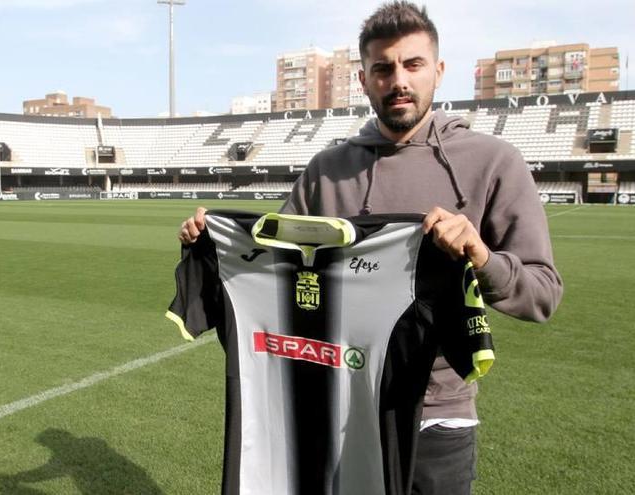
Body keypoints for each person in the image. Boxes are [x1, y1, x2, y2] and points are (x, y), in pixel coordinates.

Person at [178, 2, 562, 493]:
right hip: (337, 404)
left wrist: (481, 257)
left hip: (438, 417)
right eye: (382, 68)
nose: (398, 80)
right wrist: (210, 246)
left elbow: (544, 294)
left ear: (438, 72)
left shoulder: (494, 162)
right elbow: (277, 262)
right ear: (364, 80)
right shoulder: (326, 170)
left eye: (413, 64)